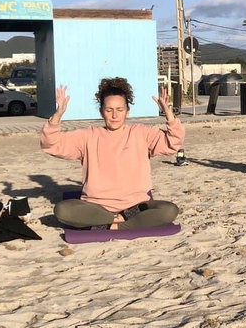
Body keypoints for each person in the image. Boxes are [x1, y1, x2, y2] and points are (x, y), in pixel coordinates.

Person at [41, 78, 184, 229]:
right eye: (109, 110)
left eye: (120, 110)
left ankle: (111, 225)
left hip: (135, 207)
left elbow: (173, 142)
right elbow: (51, 144)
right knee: (62, 210)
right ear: (101, 112)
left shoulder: (141, 133)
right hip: (97, 207)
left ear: (127, 111)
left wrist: (168, 113)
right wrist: (58, 115)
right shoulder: (88, 136)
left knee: (169, 210)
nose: (114, 115)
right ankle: (117, 221)